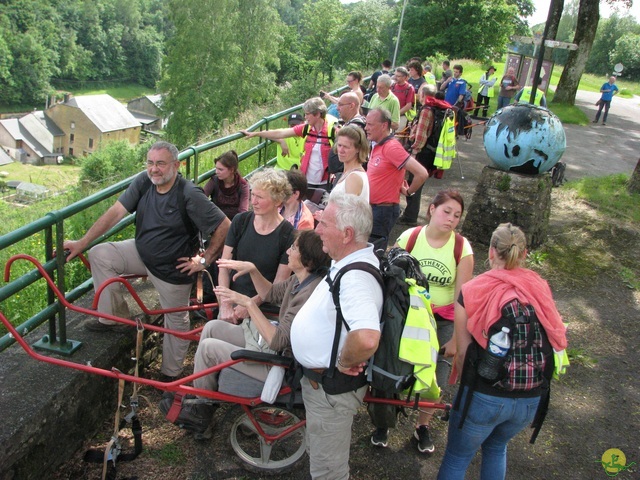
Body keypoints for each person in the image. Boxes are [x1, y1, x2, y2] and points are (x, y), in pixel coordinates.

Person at [63, 141, 231, 380]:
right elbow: (115, 212)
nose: (154, 169)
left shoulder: (188, 193)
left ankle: (171, 375)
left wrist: (204, 261)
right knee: (99, 254)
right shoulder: (144, 182)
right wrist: (82, 242)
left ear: (176, 165)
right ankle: (114, 318)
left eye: (161, 164)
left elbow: (225, 225)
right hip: (142, 253)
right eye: (151, 163)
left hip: (172, 267)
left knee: (176, 319)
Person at [158, 230, 331, 436]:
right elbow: (270, 293)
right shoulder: (301, 280)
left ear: (307, 260)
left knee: (207, 348)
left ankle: (201, 413)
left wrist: (248, 303)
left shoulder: (307, 294)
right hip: (275, 349)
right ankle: (203, 401)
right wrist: (253, 269)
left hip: (283, 365)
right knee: (212, 327)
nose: (288, 251)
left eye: (293, 248)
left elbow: (278, 341)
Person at [437, 223, 568, 480]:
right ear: (524, 254)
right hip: (531, 397)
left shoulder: (473, 290)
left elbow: (462, 354)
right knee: (497, 448)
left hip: (485, 394)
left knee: (457, 457)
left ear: (491, 251)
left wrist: (466, 393)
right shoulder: (538, 287)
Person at [372, 189, 474, 453]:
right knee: (391, 367)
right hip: (406, 316)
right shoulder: (411, 237)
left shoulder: (462, 248)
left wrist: (456, 338)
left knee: (434, 379)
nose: (451, 219)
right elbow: (390, 275)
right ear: (432, 209)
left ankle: (422, 427)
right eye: (446, 211)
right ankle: (383, 423)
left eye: (457, 215)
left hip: (442, 321)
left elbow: (464, 297)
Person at [291, 191, 383, 480]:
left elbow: (367, 337)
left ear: (346, 234)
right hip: (324, 387)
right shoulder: (347, 261)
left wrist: (344, 362)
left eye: (323, 225)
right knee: (323, 460)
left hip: (330, 392)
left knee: (329, 472)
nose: (316, 231)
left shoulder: (355, 277)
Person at [217, 169, 295, 324]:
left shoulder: (288, 234)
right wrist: (225, 304)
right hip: (232, 301)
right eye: (253, 195)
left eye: (260, 197)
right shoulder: (241, 221)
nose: (254, 202)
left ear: (277, 201)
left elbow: (278, 284)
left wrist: (251, 304)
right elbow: (224, 266)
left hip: (264, 309)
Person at [365, 107, 428, 251]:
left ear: (384, 126)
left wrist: (409, 192)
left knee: (374, 253)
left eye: (370, 124)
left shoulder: (391, 147)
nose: (366, 128)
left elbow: (422, 173)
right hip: (372, 208)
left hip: (382, 211)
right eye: (366, 123)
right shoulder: (377, 145)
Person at [242, 97, 336, 190]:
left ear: (318, 114)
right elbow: (281, 133)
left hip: (326, 180)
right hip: (306, 180)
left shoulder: (333, 131)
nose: (305, 117)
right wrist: (256, 134)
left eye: (307, 114)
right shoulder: (306, 129)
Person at [398, 85, 452, 226]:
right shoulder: (437, 109)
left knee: (414, 183)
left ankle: (410, 216)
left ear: (423, 94)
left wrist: (414, 152)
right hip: (430, 152)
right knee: (416, 183)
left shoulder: (427, 110)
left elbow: (421, 135)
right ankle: (410, 214)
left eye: (419, 92)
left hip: (421, 153)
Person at [202, 150, 249, 220]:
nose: (216, 172)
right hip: (216, 220)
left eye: (220, 169)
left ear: (231, 170)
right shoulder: (214, 181)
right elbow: (201, 197)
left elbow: (243, 210)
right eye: (216, 168)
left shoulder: (242, 185)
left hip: (235, 222)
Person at [332, 125, 370, 200]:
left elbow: (347, 210)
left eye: (346, 147)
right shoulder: (348, 173)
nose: (341, 150)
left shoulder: (354, 177)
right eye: (339, 145)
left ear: (358, 149)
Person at [391, 66, 416, 132]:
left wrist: (396, 114)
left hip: (402, 116)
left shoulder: (409, 88)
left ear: (405, 77)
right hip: (390, 115)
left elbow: (408, 106)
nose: (395, 78)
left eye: (398, 76)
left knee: (397, 136)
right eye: (395, 75)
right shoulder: (392, 86)